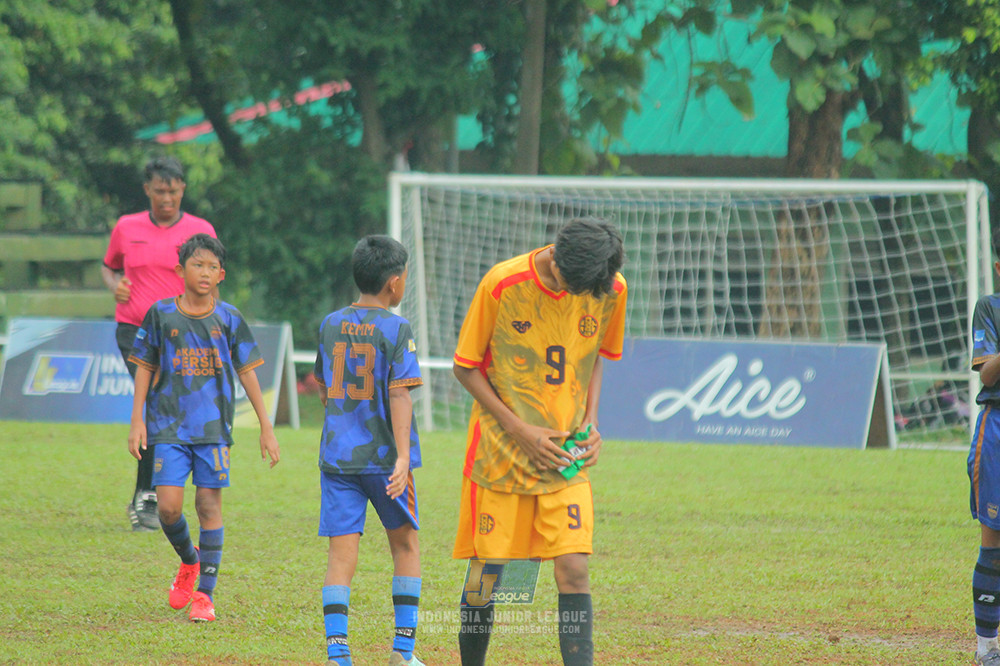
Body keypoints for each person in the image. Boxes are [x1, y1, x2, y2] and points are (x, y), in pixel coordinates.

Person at [451, 217, 627, 666]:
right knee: (486, 578)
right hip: (500, 456)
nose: (579, 296)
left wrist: (591, 421)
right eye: (575, 286)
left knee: (574, 569)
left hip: (564, 460)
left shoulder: (610, 288)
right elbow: (465, 366)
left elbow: (598, 358)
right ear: (557, 259)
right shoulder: (502, 284)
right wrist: (519, 429)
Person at [127, 233, 280, 623]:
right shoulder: (161, 315)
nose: (205, 272)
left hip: (213, 431)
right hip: (169, 428)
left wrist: (266, 426)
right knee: (168, 508)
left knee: (208, 506)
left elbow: (247, 372)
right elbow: (144, 365)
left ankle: (205, 597)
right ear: (180, 270)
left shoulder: (229, 318)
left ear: (222, 274)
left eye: (213, 267)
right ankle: (190, 562)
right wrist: (137, 419)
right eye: (198, 264)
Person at [312, 235, 425, 666]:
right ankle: (402, 652)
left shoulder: (330, 323)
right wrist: (401, 457)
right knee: (406, 546)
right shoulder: (397, 328)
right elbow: (400, 396)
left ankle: (338, 656)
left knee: (341, 555)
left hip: (338, 459)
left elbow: (323, 386)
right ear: (394, 283)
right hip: (385, 461)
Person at [103, 156, 217, 532]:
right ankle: (146, 495)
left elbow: (211, 274)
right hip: (134, 330)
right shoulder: (126, 226)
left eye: (173, 190)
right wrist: (114, 285)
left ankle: (156, 491)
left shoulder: (200, 229)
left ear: (182, 188)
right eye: (159, 191)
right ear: (147, 189)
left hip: (182, 335)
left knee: (169, 407)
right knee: (155, 399)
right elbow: (109, 266)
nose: (166, 198)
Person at [969, 228, 1000, 665]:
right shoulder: (989, 308)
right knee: (993, 537)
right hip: (998, 429)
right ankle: (986, 646)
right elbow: (987, 375)